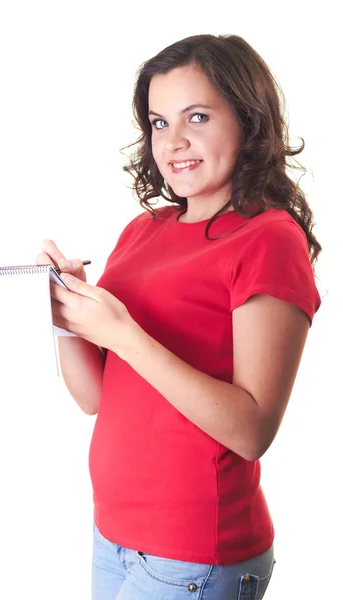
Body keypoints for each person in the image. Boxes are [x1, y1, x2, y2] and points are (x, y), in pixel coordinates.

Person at [36, 34, 322, 600]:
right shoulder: (143, 232)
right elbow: (97, 397)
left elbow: (252, 430)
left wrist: (122, 333)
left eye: (197, 116)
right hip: (113, 535)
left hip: (195, 552)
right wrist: (66, 317)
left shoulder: (268, 239)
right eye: (159, 122)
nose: (175, 141)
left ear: (248, 119)